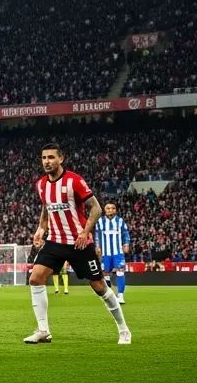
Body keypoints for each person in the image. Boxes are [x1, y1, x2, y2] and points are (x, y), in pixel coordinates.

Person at [25, 142, 131, 345]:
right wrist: (41, 229)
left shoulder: (74, 181)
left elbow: (96, 208)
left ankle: (123, 329)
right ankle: (43, 330)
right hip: (55, 241)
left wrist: (85, 232)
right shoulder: (41, 185)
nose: (47, 162)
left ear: (61, 159)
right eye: (44, 158)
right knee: (36, 278)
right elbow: (47, 209)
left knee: (99, 286)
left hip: (79, 243)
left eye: (51, 157)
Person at [95, 200, 131, 305]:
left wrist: (126, 244)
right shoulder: (100, 222)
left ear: (116, 210)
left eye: (113, 208)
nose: (110, 210)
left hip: (118, 252)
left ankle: (120, 296)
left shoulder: (120, 221)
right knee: (106, 272)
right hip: (105, 253)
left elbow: (125, 234)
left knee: (120, 270)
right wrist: (97, 246)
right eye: (108, 208)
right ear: (104, 210)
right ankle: (110, 295)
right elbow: (97, 235)